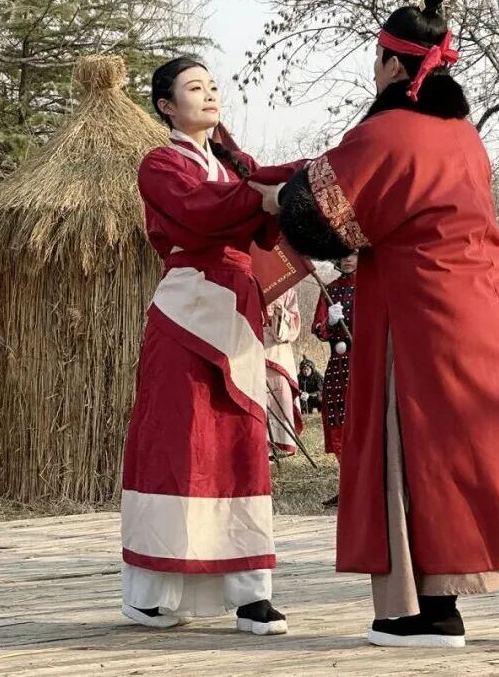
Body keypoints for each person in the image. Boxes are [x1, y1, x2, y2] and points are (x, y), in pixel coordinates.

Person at [250, 0, 499, 648]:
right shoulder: (463, 136)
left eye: (376, 59)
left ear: (391, 65)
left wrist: (268, 196)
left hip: (426, 314)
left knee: (423, 453)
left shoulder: (383, 135)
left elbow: (315, 217)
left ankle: (429, 611)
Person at [120, 57, 302, 635]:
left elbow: (264, 211)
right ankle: (152, 592)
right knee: (178, 442)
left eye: (213, 86)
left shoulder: (230, 166)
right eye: (194, 87)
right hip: (185, 310)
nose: (209, 94)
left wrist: (301, 177)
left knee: (240, 444)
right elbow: (202, 214)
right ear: (166, 106)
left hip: (236, 310)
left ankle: (252, 593)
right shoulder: (160, 164)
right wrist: (265, 193)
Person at [312, 253, 357, 461]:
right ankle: (345, 472)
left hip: (365, 361)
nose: (347, 259)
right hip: (338, 365)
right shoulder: (329, 290)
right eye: (342, 254)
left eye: (352, 254)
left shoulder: (372, 286)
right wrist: (329, 323)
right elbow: (318, 329)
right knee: (339, 417)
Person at [264, 288, 303, 458]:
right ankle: (260, 443)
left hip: (278, 351)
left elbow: (295, 321)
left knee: (281, 392)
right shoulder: (247, 282)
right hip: (251, 345)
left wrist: (282, 314)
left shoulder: (286, 288)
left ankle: (281, 442)